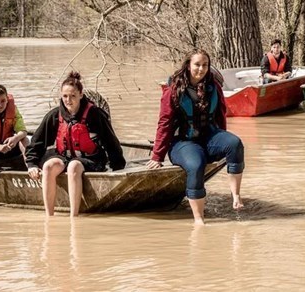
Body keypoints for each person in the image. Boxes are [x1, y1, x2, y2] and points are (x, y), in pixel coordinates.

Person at [146, 49, 245, 225]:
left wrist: (223, 141)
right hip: (182, 142)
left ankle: (236, 196)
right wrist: (157, 155)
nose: (201, 69)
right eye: (197, 65)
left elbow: (221, 115)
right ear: (188, 65)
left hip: (209, 138)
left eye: (205, 65)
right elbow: (164, 124)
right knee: (196, 164)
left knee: (234, 143)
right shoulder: (173, 90)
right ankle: (199, 220)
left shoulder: (213, 86)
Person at [26, 72, 126, 217]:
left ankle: (74, 217)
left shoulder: (95, 114)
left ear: (80, 94)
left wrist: (117, 166)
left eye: (73, 96)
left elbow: (111, 142)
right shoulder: (54, 115)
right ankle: (49, 216)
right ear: (61, 95)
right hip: (64, 156)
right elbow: (37, 142)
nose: (68, 100)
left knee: (74, 166)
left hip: (92, 159)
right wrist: (32, 164)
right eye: (65, 96)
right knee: (48, 167)